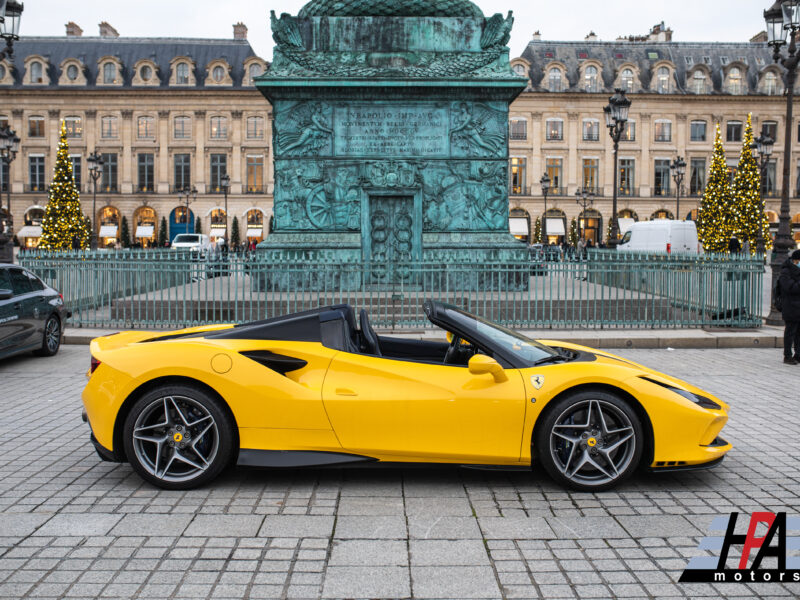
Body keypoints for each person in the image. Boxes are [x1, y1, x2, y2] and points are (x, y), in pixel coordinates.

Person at [779, 249, 800, 365]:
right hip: (790, 306)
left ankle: (798, 354)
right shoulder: (786, 271)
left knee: (799, 333)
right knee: (790, 332)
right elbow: (789, 287)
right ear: (796, 261)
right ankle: (787, 355)